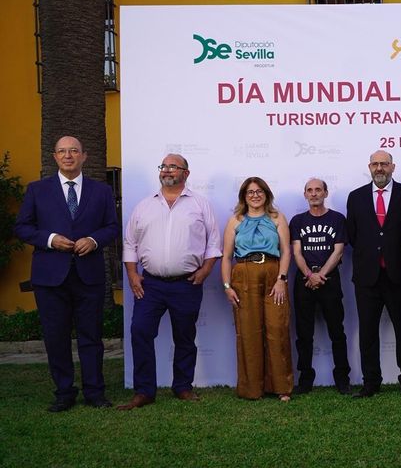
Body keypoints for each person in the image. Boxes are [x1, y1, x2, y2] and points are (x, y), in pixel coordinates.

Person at [14, 136, 119, 412]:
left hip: (89, 276)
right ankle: (64, 392)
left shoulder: (101, 191)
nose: (68, 155)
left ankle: (94, 392)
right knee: (55, 336)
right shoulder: (37, 190)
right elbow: (22, 227)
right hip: (50, 277)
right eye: (62, 151)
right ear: (55, 157)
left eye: (73, 151)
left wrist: (93, 240)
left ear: (84, 156)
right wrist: (50, 239)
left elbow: (112, 227)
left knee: (91, 336)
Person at [119, 153, 222, 410]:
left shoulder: (200, 204)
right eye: (163, 166)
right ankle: (144, 391)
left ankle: (183, 386)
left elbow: (213, 242)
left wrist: (205, 270)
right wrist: (132, 274)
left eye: (173, 167)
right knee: (140, 331)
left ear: (186, 173)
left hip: (186, 284)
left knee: (185, 336)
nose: (166, 170)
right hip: (150, 284)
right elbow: (130, 243)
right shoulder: (144, 206)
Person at [345, 150, 401, 398]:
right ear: (369, 167)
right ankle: (371, 382)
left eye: (384, 164)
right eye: (375, 164)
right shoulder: (355, 197)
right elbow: (353, 235)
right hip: (367, 277)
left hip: (400, 275)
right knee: (367, 332)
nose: (379, 168)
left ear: (392, 167)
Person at [221, 177, 293, 401]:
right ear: (244, 196)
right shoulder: (235, 220)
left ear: (266, 194)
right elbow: (226, 257)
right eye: (250, 192)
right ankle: (252, 388)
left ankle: (281, 386)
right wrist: (227, 286)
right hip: (243, 275)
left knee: (277, 328)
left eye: (259, 191)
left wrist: (282, 279)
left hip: (273, 273)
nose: (255, 195)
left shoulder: (277, 217)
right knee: (248, 331)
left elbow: (286, 251)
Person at [289, 178, 351, 394]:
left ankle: (342, 379)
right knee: (304, 334)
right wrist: (309, 274)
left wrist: (320, 275)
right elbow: (297, 252)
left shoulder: (337, 219)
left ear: (326, 193)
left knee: (337, 332)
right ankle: (305, 379)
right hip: (304, 281)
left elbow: (338, 251)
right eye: (310, 190)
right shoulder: (297, 221)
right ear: (305, 194)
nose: (314, 193)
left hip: (329, 281)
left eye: (318, 190)